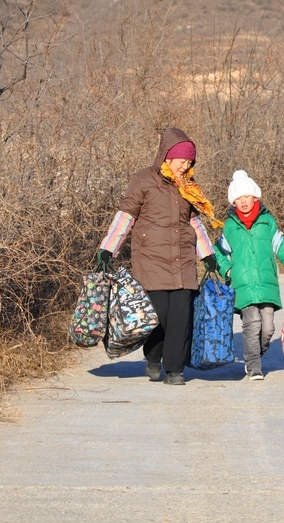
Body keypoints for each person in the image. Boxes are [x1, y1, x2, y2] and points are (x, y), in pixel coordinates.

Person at [96, 127, 221, 386]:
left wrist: (207, 254)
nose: (186, 166)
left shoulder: (189, 186)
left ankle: (174, 370)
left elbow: (194, 222)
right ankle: (153, 357)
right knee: (159, 314)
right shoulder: (143, 180)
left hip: (183, 259)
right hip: (151, 258)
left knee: (180, 318)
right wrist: (109, 247)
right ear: (168, 157)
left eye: (190, 162)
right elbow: (127, 215)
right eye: (183, 161)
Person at [213, 170, 284, 381]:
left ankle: (255, 354)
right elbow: (218, 252)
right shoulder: (230, 226)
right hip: (243, 285)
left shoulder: (267, 223)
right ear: (233, 202)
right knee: (252, 324)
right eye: (238, 199)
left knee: (267, 328)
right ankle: (253, 366)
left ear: (255, 197)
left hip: (267, 285)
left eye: (246, 196)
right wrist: (228, 270)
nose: (243, 202)